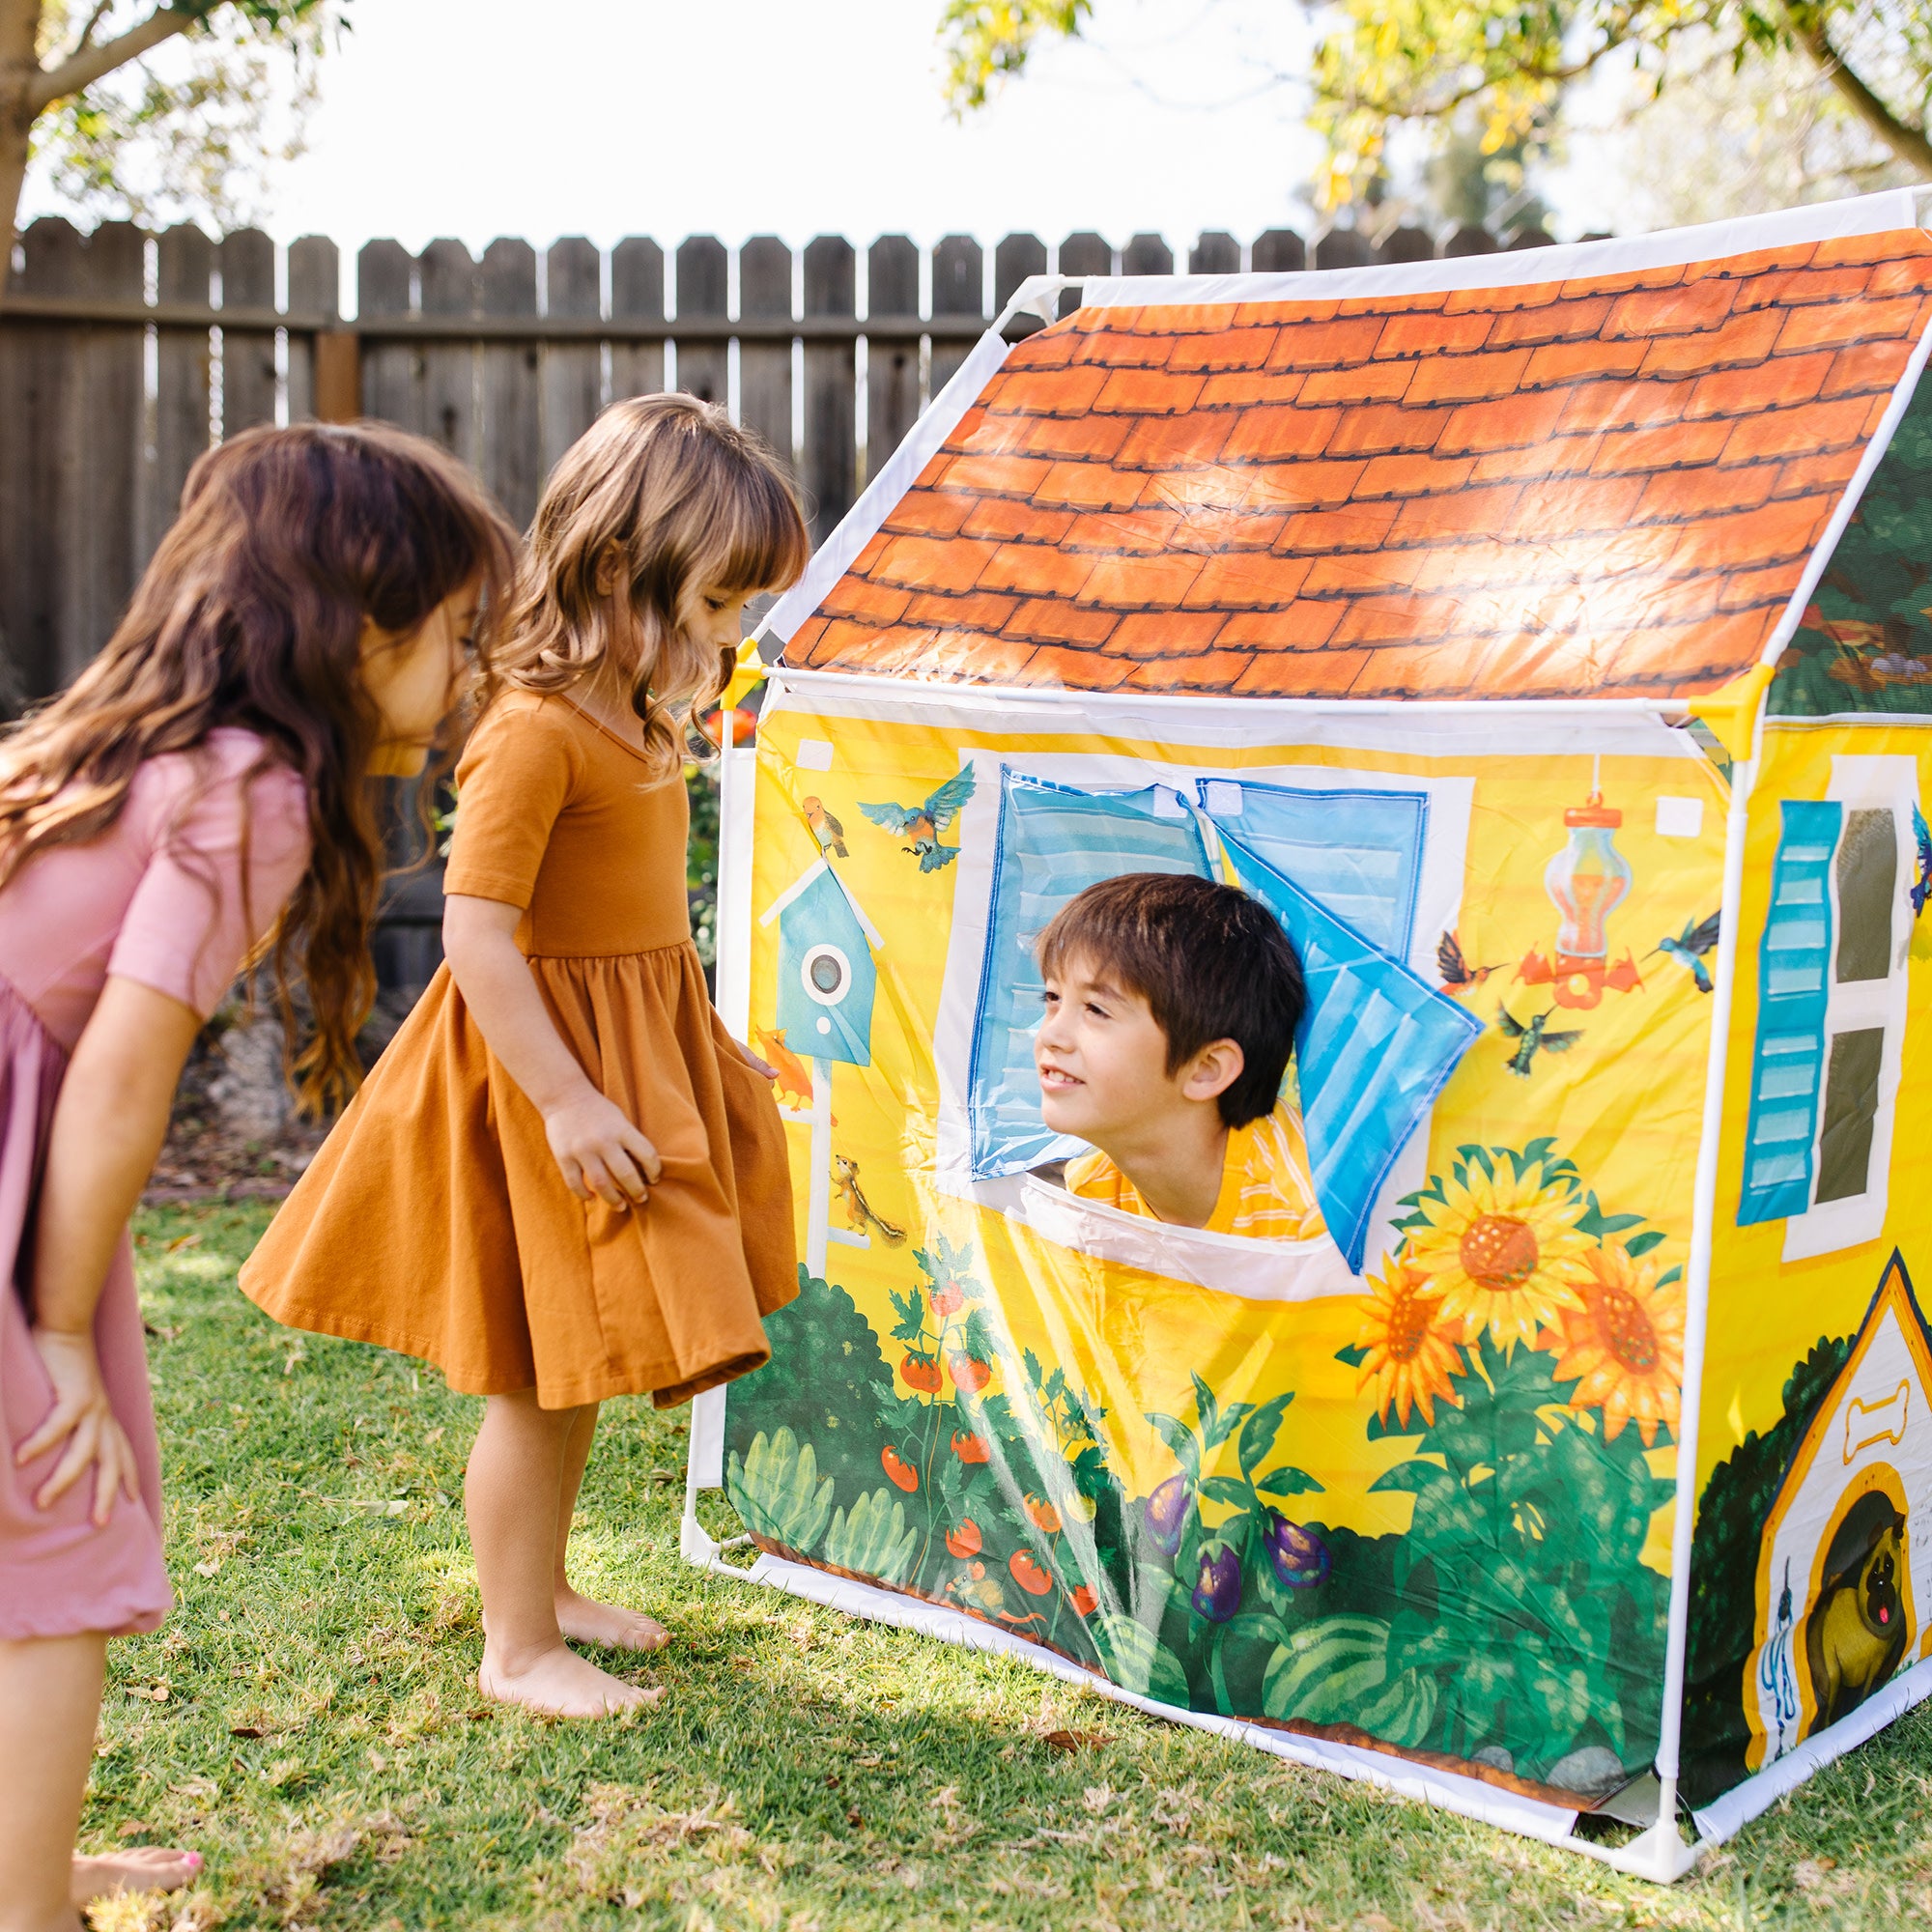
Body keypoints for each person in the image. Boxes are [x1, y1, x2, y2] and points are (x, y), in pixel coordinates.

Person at [0, 422, 518, 1932]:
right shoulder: (251, 792)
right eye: (456, 634)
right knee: (56, 1544)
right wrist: (54, 1330)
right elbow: (119, 1077)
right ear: (361, 631)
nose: (469, 674)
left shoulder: (126, 749)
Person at [241, 395, 810, 1720]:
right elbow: (478, 937)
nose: (730, 637)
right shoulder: (535, 728)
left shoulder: (637, 718)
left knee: (581, 1358)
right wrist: (566, 1101)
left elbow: (638, 934)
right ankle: (515, 1647)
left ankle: (544, 1590)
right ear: (616, 569)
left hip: (622, 1058)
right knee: (534, 1380)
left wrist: (691, 1048)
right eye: (715, 604)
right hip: (540, 1079)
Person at [1034, 871, 1326, 1242]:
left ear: (1205, 1069)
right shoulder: (1095, 1198)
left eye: (1096, 1009)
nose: (1051, 1036)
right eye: (1053, 998)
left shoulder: (1315, 1217)